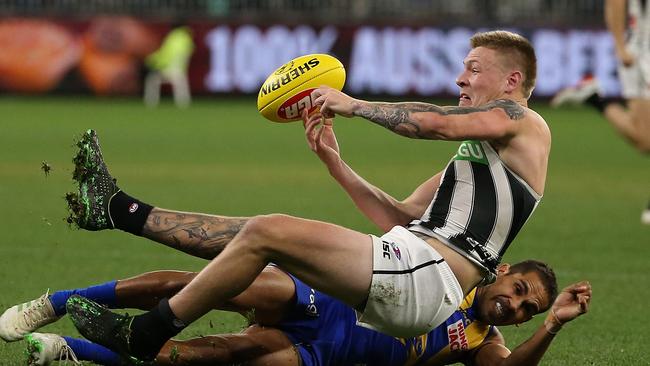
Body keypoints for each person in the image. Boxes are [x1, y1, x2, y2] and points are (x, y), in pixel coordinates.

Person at [64, 29, 551, 362]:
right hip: (415, 266)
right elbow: (399, 215)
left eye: (473, 69)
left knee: (266, 231)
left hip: (430, 281)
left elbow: (436, 123)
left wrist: (354, 105)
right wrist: (336, 165)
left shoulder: (523, 122)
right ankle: (116, 209)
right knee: (252, 237)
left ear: (511, 81)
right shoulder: (480, 155)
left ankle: (146, 334)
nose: (461, 79)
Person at [2, 261, 591, 365]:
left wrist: (552, 325)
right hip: (323, 297)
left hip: (325, 353)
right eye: (518, 289)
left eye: (525, 309)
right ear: (505, 269)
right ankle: (51, 305)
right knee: (196, 285)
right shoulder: (457, 271)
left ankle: (73, 350)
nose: (513, 304)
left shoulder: (482, 344)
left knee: (216, 355)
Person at [551, 0, 650, 224]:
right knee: (646, 141)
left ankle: (594, 97)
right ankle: (594, 97)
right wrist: (620, 46)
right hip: (642, 54)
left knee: (645, 141)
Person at [143, 24, 194, 108]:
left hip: (169, 70)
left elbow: (165, 55)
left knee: (151, 79)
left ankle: (151, 103)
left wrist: (151, 60)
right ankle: (183, 102)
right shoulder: (187, 38)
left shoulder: (172, 38)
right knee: (180, 81)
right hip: (181, 70)